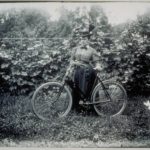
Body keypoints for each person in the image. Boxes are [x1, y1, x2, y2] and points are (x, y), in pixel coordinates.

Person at [69, 38, 103, 111]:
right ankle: (76, 107)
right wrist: (75, 63)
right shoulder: (75, 49)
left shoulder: (92, 50)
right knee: (75, 87)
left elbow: (96, 61)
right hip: (77, 71)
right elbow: (71, 60)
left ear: (88, 41)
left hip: (87, 71)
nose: (83, 41)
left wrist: (98, 66)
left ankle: (86, 107)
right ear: (80, 40)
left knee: (85, 87)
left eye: (85, 39)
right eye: (81, 39)